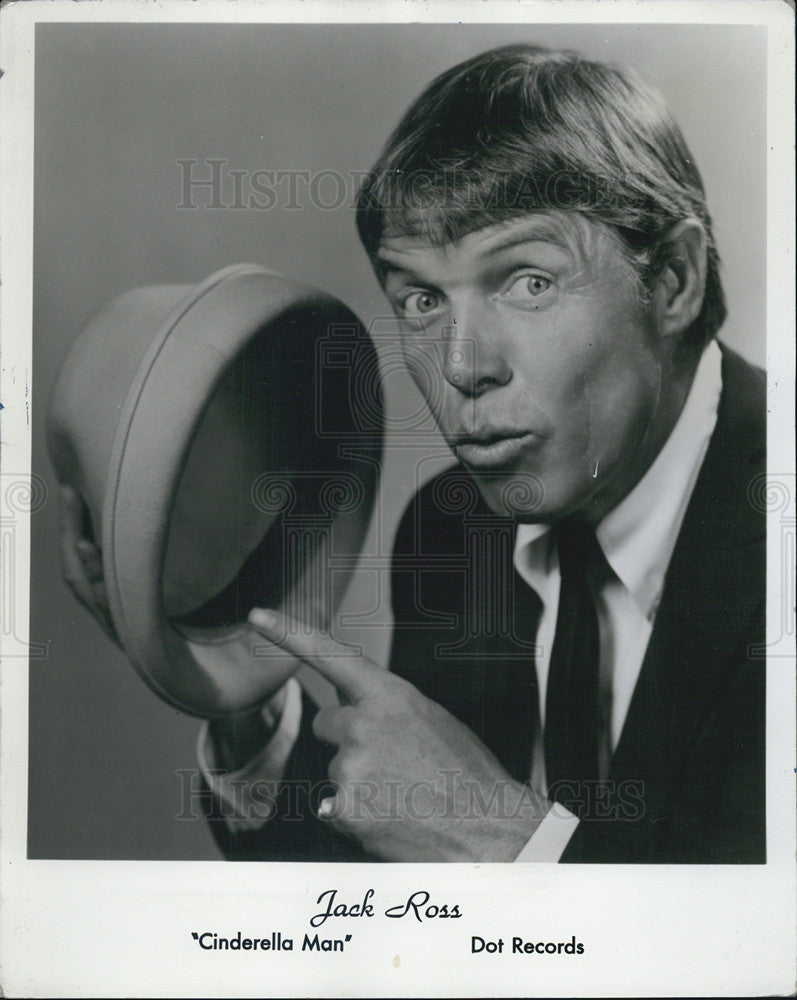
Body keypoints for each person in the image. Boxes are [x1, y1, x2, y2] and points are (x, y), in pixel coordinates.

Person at [61, 43, 765, 864]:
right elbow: (397, 906)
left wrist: (510, 847)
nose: (463, 366)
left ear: (672, 279)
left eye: (527, 282)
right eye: (423, 299)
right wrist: (234, 693)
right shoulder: (451, 529)